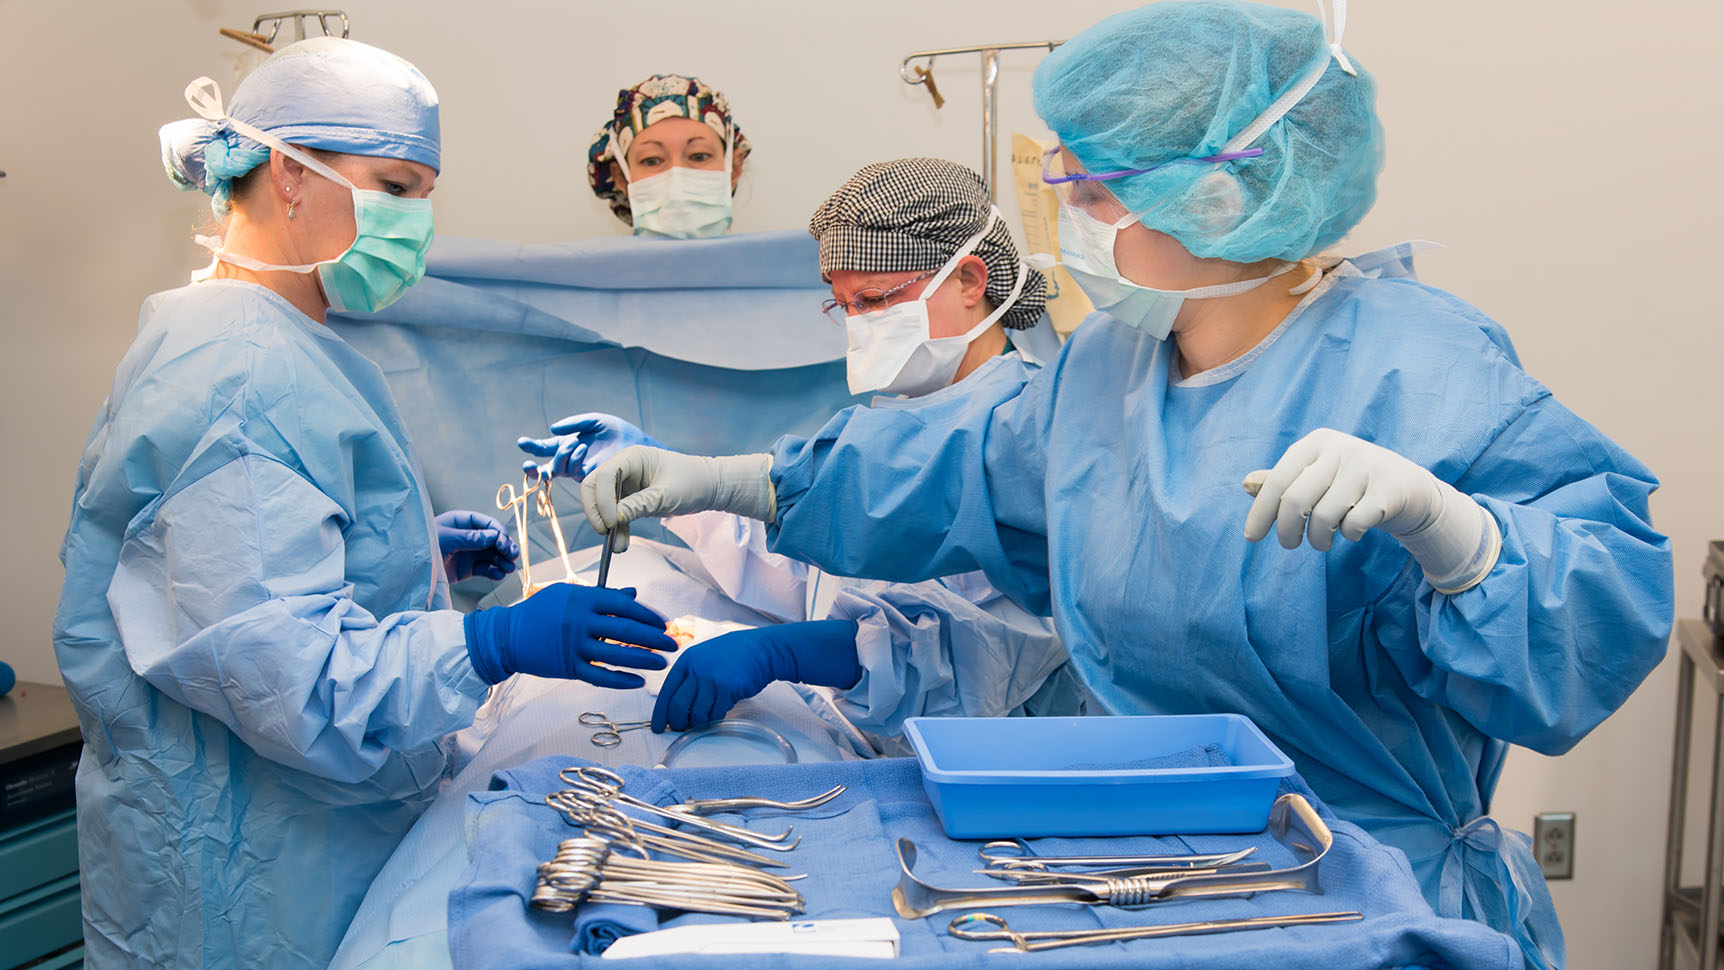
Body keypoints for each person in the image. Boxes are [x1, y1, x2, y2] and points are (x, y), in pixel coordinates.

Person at [573, 4, 1674, 968]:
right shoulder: (1104, 368)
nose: (1068, 214)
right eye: (1063, 179)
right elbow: (943, 466)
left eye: (1093, 188)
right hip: (1134, 868)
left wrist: (1461, 537)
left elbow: (1598, 615)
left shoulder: (1420, 364)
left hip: (1359, 886)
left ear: (1224, 188)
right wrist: (728, 479)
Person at [54, 39, 676, 970]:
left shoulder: (270, 341)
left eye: (425, 191)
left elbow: (239, 580)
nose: (418, 220)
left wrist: (409, 559)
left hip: (307, 850)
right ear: (286, 176)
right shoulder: (241, 374)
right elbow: (288, 678)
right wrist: (490, 643)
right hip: (253, 891)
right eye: (394, 184)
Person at [521, 157, 1084, 747]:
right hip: (866, 741)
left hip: (985, 770)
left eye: (873, 298)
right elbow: (815, 575)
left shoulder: (1031, 432)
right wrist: (673, 488)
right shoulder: (902, 415)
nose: (857, 324)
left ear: (970, 281)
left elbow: (985, 655)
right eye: (843, 305)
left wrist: (787, 652)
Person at [587, 73, 750, 239]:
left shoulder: (773, 263)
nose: (677, 179)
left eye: (699, 156)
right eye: (651, 160)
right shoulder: (591, 265)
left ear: (734, 169)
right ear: (621, 177)